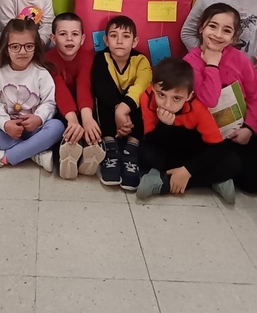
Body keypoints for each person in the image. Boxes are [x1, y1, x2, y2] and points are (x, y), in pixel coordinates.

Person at [184, 3, 257, 194]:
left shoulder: (241, 60)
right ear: (201, 27)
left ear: (234, 37)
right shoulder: (190, 62)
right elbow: (209, 100)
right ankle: (218, 176)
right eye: (212, 26)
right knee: (228, 164)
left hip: (239, 129)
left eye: (226, 30)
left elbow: (255, 97)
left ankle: (220, 175)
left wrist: (249, 129)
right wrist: (211, 64)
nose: (218, 34)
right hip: (205, 135)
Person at [137, 58, 240, 203]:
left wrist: (187, 171)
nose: (167, 104)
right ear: (153, 87)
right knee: (144, 154)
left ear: (189, 96)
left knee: (233, 162)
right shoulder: (146, 98)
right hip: (166, 147)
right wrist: (165, 124)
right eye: (161, 95)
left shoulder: (197, 106)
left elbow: (217, 147)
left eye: (176, 98)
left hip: (193, 149)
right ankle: (214, 179)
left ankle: (164, 182)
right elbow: (150, 140)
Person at [0, 19, 65, 171]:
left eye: (28, 46)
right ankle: (34, 152)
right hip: (7, 132)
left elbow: (50, 103)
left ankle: (5, 158)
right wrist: (6, 124)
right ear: (6, 49)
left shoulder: (41, 73)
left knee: (57, 127)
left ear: (35, 47)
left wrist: (38, 119)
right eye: (15, 46)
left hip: (35, 130)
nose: (22, 51)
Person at [91, 15, 152, 191]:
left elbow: (142, 84)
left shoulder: (141, 60)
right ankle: (110, 147)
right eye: (113, 35)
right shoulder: (101, 58)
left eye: (126, 36)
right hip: (111, 109)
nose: (119, 41)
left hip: (130, 110)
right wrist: (118, 110)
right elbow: (101, 87)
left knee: (143, 99)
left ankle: (131, 150)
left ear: (135, 41)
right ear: (106, 40)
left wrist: (123, 110)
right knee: (101, 100)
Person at [46, 12, 104, 179]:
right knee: (60, 119)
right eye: (63, 34)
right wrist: (73, 120)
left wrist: (87, 118)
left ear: (83, 39)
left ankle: (93, 147)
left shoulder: (87, 57)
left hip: (83, 102)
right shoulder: (48, 59)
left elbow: (84, 85)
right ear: (53, 38)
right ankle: (69, 147)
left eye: (75, 34)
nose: (69, 39)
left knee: (93, 118)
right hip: (61, 104)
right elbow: (60, 90)